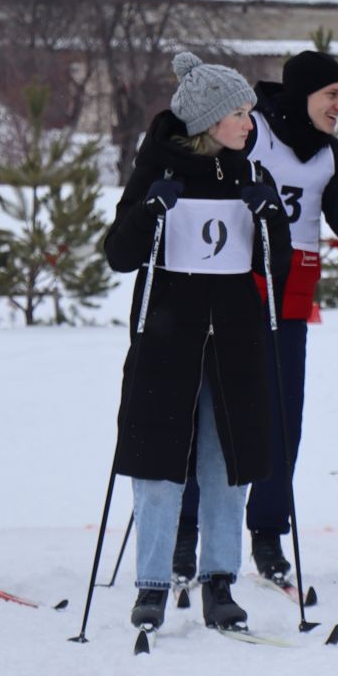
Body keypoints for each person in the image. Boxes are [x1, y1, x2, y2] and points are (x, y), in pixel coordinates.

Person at [104, 52, 291, 633]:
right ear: (208, 120)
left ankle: (219, 580)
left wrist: (271, 220)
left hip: (235, 339)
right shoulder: (158, 168)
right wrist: (149, 209)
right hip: (166, 337)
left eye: (250, 112)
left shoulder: (253, 173)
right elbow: (119, 254)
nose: (249, 123)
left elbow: (277, 265)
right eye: (239, 113)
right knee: (158, 460)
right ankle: (153, 583)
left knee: (227, 460)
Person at [178, 50, 338, 585]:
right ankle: (187, 526)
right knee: (209, 407)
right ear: (304, 94)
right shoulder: (254, 128)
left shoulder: (331, 151)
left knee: (283, 412)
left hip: (293, 284)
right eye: (332, 95)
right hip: (238, 278)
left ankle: (268, 528)